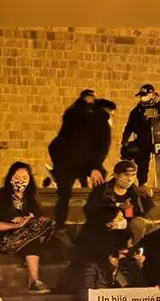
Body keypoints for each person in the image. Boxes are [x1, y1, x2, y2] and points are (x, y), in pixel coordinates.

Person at [0, 162, 55, 294]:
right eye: (17, 178)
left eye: (24, 178)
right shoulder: (0, 196)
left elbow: (37, 216)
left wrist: (28, 219)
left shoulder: (31, 196)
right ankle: (35, 281)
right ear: (10, 178)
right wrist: (15, 225)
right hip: (2, 237)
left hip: (25, 235)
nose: (20, 182)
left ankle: (35, 281)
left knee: (45, 226)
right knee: (31, 236)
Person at [46, 89, 114, 234]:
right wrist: (94, 167)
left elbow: (100, 148)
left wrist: (94, 167)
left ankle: (89, 215)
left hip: (77, 162)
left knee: (98, 180)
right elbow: (102, 147)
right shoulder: (90, 118)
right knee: (64, 195)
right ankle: (60, 227)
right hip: (69, 162)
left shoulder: (82, 115)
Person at [83, 160, 155, 242]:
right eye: (126, 175)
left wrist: (147, 198)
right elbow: (90, 211)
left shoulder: (135, 192)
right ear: (116, 175)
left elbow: (142, 215)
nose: (130, 179)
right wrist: (117, 211)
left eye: (133, 175)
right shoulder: (101, 191)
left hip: (126, 231)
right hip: (104, 229)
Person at [121, 84, 160, 186]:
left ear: (152, 94)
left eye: (145, 95)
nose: (142, 97)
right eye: (141, 95)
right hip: (143, 139)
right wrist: (125, 140)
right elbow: (129, 126)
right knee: (142, 162)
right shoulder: (137, 110)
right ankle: (143, 184)